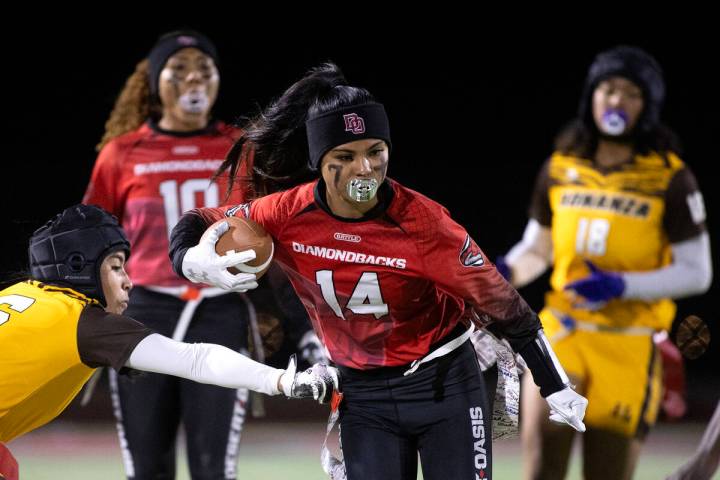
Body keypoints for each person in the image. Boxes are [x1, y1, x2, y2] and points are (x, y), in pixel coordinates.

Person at [167, 62, 588, 480]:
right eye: (345, 156)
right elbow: (202, 218)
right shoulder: (285, 213)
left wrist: (553, 383)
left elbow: (504, 305)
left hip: (444, 385)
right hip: (362, 393)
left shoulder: (425, 222)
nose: (364, 168)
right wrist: (191, 259)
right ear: (320, 160)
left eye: (375, 151)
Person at [83, 30, 318, 479]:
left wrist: (297, 321)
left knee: (214, 468)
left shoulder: (239, 147)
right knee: (148, 466)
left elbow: (269, 232)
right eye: (179, 69)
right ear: (155, 82)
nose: (194, 78)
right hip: (142, 310)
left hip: (219, 309)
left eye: (204, 69)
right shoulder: (120, 154)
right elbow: (94, 241)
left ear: (217, 79)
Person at [494, 46, 712, 480]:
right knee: (541, 470)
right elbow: (539, 248)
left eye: (631, 93)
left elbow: (697, 271)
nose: (616, 101)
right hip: (564, 332)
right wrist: (507, 273)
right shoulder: (561, 166)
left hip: (629, 342)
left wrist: (622, 286)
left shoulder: (670, 177)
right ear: (591, 95)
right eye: (608, 89)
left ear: (648, 104)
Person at [0, 204, 338, 480]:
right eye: (117, 267)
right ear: (79, 267)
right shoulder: (83, 322)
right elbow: (195, 359)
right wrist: (283, 379)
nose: (129, 281)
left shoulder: (16, 293)